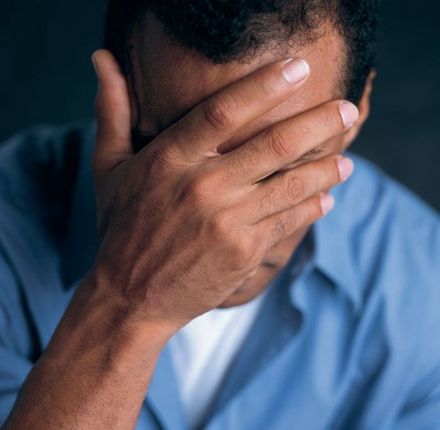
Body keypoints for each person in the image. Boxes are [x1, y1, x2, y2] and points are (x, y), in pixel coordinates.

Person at [1, 1, 439, 429]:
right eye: (172, 153)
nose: (222, 228)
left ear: (359, 110)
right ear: (115, 91)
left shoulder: (425, 290)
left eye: (282, 163)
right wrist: (127, 304)